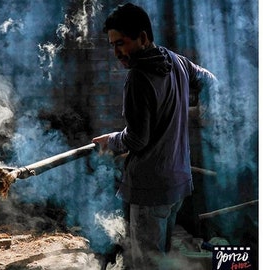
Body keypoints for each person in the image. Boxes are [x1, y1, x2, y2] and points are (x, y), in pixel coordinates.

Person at [92, 3, 216, 269]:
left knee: (146, 265)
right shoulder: (177, 61)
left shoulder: (138, 78)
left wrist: (110, 141)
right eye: (112, 45)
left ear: (143, 38)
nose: (116, 52)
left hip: (150, 189)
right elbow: (210, 81)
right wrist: (194, 110)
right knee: (160, 260)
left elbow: (137, 139)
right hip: (178, 185)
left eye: (121, 43)